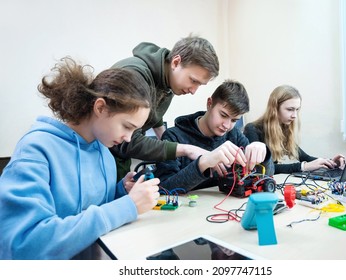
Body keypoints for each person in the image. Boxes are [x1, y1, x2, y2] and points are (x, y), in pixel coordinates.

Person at [0, 57, 161, 260]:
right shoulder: (36, 149)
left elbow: (94, 210)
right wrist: (128, 206)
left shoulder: (105, 154)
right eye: (127, 126)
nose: (128, 138)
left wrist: (121, 191)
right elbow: (26, 245)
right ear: (100, 108)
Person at [110, 35, 220, 181]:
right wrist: (186, 149)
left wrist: (164, 134)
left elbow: (153, 111)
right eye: (193, 81)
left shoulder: (169, 81)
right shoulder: (135, 75)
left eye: (199, 84)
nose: (194, 90)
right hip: (100, 160)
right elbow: (124, 140)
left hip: (119, 162)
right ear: (176, 62)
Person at [154, 80, 274, 193]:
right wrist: (203, 163)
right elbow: (163, 189)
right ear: (209, 104)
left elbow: (264, 176)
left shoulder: (234, 135)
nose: (227, 125)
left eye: (234, 120)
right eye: (223, 115)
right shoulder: (174, 136)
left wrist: (264, 155)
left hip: (228, 210)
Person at [243, 85, 346, 174]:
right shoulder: (252, 129)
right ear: (274, 108)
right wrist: (303, 167)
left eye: (297, 109)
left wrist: (332, 162)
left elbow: (306, 158)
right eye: (290, 109)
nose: (295, 116)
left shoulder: (282, 128)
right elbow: (262, 169)